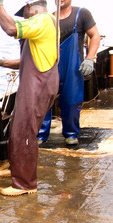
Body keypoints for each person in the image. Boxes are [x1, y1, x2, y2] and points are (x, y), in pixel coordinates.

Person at [0, 0, 59, 196]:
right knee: (18, 126)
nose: (24, 19)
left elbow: (11, 28)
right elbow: (26, 60)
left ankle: (26, 184)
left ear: (31, 8)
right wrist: (2, 62)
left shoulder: (43, 20)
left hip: (39, 85)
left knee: (25, 131)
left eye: (25, 15)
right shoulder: (45, 25)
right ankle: (17, 168)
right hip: (33, 84)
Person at [37, 0, 100, 146]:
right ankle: (41, 134)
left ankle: (71, 133)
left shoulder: (81, 14)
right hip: (50, 66)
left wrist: (89, 58)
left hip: (73, 67)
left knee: (71, 100)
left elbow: (95, 36)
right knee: (44, 99)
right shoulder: (48, 18)